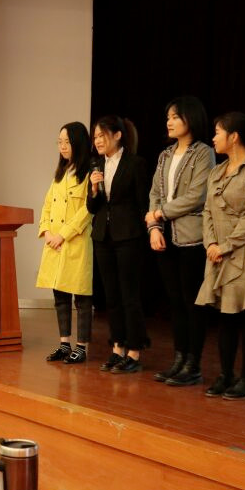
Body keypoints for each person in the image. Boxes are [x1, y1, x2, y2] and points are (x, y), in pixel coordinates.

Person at [195, 112, 245, 400]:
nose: (213, 138)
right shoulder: (216, 171)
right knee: (225, 316)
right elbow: (207, 211)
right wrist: (210, 243)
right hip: (217, 252)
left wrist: (225, 245)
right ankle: (225, 375)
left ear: (234, 137)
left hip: (243, 252)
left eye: (218, 132)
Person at [145, 96, 215, 387]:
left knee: (192, 303)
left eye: (175, 117)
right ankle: (178, 359)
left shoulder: (204, 153)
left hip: (191, 238)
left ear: (191, 119)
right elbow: (154, 193)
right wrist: (154, 227)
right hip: (164, 236)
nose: (169, 122)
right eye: (168, 117)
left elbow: (197, 196)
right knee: (175, 303)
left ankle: (193, 364)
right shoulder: (164, 155)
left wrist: (160, 212)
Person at [87, 116, 151, 373]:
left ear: (117, 135)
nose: (97, 141)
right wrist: (93, 189)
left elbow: (142, 202)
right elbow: (93, 207)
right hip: (103, 236)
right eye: (95, 137)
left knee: (129, 295)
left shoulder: (135, 164)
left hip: (128, 236)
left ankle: (134, 351)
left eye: (102, 135)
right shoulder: (97, 165)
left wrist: (148, 231)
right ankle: (117, 348)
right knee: (111, 295)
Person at [37, 122, 94, 364]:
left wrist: (63, 234)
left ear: (78, 143)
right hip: (55, 243)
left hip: (76, 242)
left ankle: (81, 347)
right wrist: (46, 231)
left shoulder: (89, 172)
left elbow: (87, 210)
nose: (62, 146)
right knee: (59, 294)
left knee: (81, 297)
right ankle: (64, 343)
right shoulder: (60, 174)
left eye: (67, 142)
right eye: (59, 142)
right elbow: (47, 205)